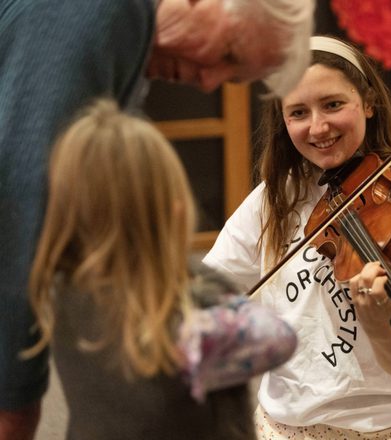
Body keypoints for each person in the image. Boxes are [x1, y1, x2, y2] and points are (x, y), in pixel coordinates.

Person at [0, 0, 313, 437]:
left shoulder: (73, 292)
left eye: (232, 77)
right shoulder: (104, 14)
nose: (208, 83)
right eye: (226, 54)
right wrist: (15, 401)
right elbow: (23, 200)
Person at [203, 35, 391, 438]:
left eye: (333, 105)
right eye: (298, 112)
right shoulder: (277, 196)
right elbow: (209, 285)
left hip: (389, 425)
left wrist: (376, 321)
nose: (318, 127)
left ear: (368, 103)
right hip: (286, 423)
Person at [23, 99, 298, 439]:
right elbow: (279, 340)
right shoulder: (188, 314)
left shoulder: (59, 286)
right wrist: (194, 277)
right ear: (171, 208)